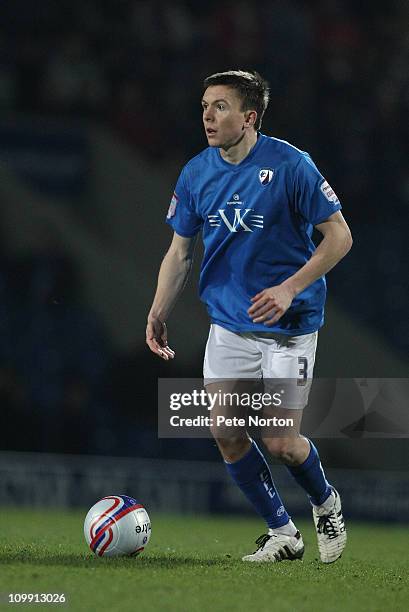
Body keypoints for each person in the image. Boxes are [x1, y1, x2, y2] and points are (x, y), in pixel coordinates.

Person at [146, 70, 352, 563]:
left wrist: (289, 288)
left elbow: (340, 236)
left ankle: (326, 501)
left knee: (280, 441)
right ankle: (283, 532)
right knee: (226, 431)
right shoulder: (197, 172)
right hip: (228, 325)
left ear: (249, 116)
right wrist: (157, 310)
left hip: (288, 327)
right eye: (204, 106)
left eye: (220, 106)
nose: (207, 116)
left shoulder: (290, 165)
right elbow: (180, 253)